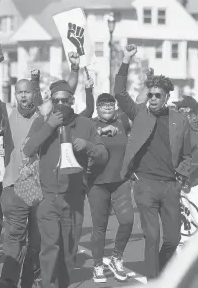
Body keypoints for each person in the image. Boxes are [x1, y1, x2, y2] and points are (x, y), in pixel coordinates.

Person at [22, 52, 108, 288]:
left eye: (65, 100)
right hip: (49, 197)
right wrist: (48, 126)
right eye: (56, 99)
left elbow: (103, 154)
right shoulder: (43, 121)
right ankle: (47, 283)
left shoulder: (85, 123)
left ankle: (63, 283)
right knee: (50, 247)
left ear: (72, 101)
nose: (61, 104)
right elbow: (27, 149)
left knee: (69, 249)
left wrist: (88, 147)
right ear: (52, 99)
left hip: (74, 197)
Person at [114, 45, 192, 280]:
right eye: (151, 95)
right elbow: (119, 92)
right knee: (151, 236)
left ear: (167, 97)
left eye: (158, 95)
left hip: (170, 186)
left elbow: (189, 154)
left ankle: (160, 270)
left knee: (173, 239)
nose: (154, 99)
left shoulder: (180, 120)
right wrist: (126, 60)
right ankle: (153, 280)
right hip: (145, 185)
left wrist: (181, 177)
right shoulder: (139, 113)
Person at [0, 76, 43, 288]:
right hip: (14, 186)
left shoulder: (43, 115)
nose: (23, 95)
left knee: (36, 241)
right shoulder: (8, 113)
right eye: (19, 92)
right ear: (15, 95)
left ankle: (32, 281)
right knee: (14, 238)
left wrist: (76, 69)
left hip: (39, 187)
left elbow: (66, 92)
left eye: (27, 91)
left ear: (34, 93)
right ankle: (8, 282)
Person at [87, 93, 134, 283]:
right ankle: (97, 265)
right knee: (100, 227)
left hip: (120, 181)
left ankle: (116, 258)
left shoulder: (122, 120)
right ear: (97, 107)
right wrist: (100, 133)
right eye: (103, 104)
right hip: (97, 183)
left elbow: (135, 105)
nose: (107, 107)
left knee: (127, 221)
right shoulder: (90, 124)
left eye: (110, 104)